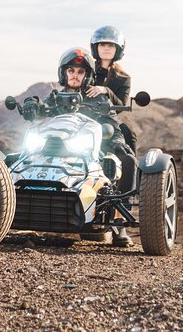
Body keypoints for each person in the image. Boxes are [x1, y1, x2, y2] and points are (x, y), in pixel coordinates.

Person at [28, 47, 136, 247]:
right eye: (71, 71)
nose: (75, 76)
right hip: (53, 148)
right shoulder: (53, 98)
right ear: (64, 73)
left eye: (80, 72)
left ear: (87, 75)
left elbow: (112, 124)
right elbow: (40, 117)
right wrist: (31, 107)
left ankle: (119, 224)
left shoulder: (97, 97)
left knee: (126, 160)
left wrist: (117, 141)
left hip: (86, 150)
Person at [87, 26, 137, 153]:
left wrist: (106, 90)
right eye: (102, 44)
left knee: (128, 134)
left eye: (111, 45)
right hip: (84, 116)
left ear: (118, 49)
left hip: (109, 120)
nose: (106, 48)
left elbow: (120, 106)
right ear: (95, 47)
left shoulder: (124, 78)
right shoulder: (85, 72)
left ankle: (130, 170)